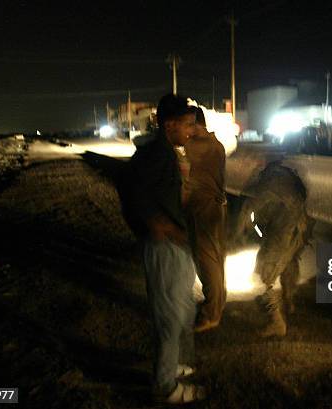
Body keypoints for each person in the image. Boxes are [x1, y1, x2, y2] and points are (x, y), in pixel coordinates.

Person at [120, 94, 206, 403]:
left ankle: (173, 366)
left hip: (177, 245)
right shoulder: (155, 154)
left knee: (183, 309)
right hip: (165, 247)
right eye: (187, 124)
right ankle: (164, 386)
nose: (191, 131)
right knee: (170, 318)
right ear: (169, 124)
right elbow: (131, 190)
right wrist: (154, 224)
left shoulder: (166, 152)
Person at [233, 162, 312, 337]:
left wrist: (240, 233)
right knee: (287, 262)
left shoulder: (264, 185)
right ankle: (288, 301)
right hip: (298, 226)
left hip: (286, 228)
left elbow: (248, 211)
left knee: (265, 273)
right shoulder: (282, 178)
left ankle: (276, 321)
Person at [183, 106, 228, 333]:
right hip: (214, 206)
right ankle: (217, 303)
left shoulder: (197, 146)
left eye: (187, 124)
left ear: (195, 123)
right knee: (215, 258)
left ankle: (212, 313)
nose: (185, 130)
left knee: (207, 260)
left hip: (204, 207)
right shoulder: (216, 144)